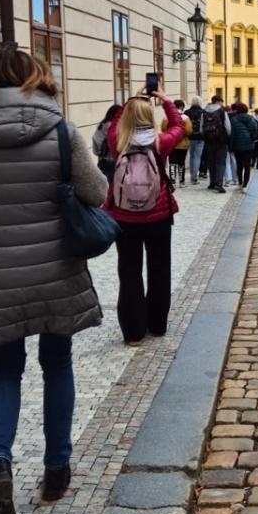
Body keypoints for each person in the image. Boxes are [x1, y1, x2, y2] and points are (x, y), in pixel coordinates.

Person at [0, 46, 107, 514]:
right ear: (36, 79)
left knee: (4, 369)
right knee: (57, 365)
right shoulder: (61, 129)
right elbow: (96, 193)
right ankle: (57, 471)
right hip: (58, 266)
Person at [106, 86, 186, 345]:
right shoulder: (160, 142)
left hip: (124, 217)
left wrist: (131, 99)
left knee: (129, 272)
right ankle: (157, 325)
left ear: (128, 115)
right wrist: (165, 100)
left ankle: (133, 333)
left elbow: (113, 124)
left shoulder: (118, 141)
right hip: (158, 215)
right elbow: (179, 125)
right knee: (159, 269)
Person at [201, 93, 230, 193]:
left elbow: (201, 127)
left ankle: (212, 183)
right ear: (218, 101)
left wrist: (205, 136)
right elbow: (228, 127)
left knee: (211, 161)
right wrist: (227, 136)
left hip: (208, 140)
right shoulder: (222, 111)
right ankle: (219, 184)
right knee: (220, 162)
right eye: (221, 102)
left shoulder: (204, 111)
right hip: (221, 140)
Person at [230, 102, 257, 191]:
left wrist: (231, 146)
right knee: (247, 166)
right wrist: (252, 139)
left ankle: (240, 183)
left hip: (237, 146)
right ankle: (245, 185)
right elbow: (254, 132)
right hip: (249, 146)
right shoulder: (251, 119)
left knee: (239, 165)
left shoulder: (233, 120)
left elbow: (232, 134)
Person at [165, 98, 192, 185]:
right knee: (181, 162)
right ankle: (181, 181)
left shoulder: (167, 117)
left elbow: (163, 128)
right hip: (183, 143)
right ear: (181, 107)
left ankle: (172, 180)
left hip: (171, 142)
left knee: (172, 161)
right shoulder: (185, 118)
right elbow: (189, 130)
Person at [92, 104, 121, 182]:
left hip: (102, 167)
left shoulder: (99, 128)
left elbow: (95, 151)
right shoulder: (117, 129)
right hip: (117, 167)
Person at [186, 96, 205, 183]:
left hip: (189, 137)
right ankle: (194, 177)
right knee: (197, 157)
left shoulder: (187, 112)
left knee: (192, 156)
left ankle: (191, 175)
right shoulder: (203, 112)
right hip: (200, 137)